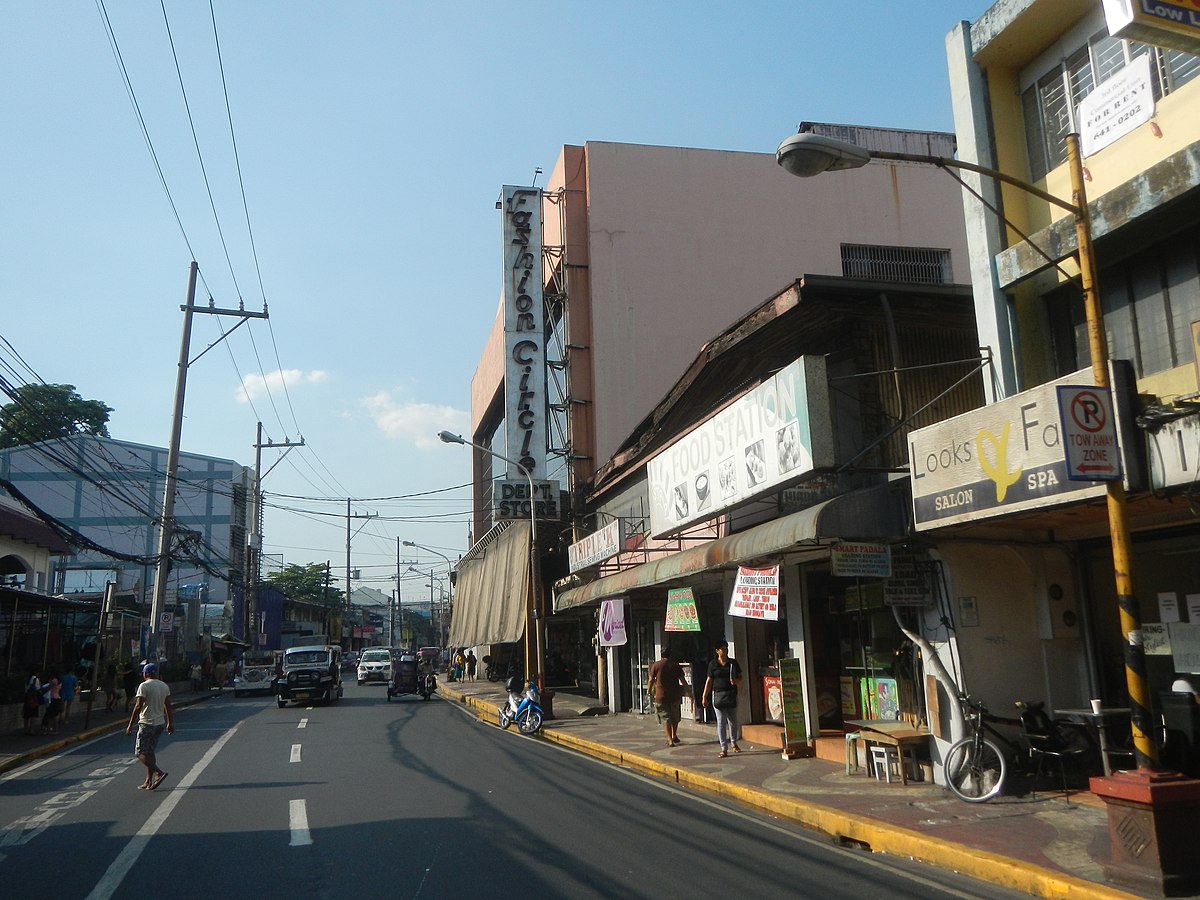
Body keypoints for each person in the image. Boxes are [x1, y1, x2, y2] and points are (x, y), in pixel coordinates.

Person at [126, 662, 174, 790]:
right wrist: (170, 722)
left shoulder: (144, 686)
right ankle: (148, 781)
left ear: (145, 673)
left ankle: (158, 772)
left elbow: (138, 706)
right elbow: (168, 706)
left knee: (140, 752)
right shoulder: (164, 686)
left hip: (147, 723)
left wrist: (130, 724)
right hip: (159, 723)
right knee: (150, 752)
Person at [701, 639, 742, 758]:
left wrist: (736, 681)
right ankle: (724, 747)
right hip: (718, 695)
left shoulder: (733, 663)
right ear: (717, 651)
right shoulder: (713, 664)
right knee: (721, 722)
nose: (725, 651)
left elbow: (740, 677)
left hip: (731, 694)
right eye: (722, 649)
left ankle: (734, 743)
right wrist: (704, 696)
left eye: (726, 648)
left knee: (733, 721)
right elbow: (709, 681)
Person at [647, 647, 689, 747]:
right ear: (671, 655)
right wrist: (689, 691)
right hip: (674, 695)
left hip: (661, 696)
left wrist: (649, 691)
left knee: (666, 718)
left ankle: (670, 739)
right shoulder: (675, 665)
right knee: (675, 717)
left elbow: (651, 680)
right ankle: (674, 735)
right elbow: (682, 680)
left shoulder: (656, 665)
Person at [23, 669, 42, 735]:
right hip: (34, 699)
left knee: (26, 715)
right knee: (33, 715)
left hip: (27, 698)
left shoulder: (27, 680)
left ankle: (26, 729)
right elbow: (38, 689)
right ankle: (31, 729)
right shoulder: (36, 679)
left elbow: (25, 690)